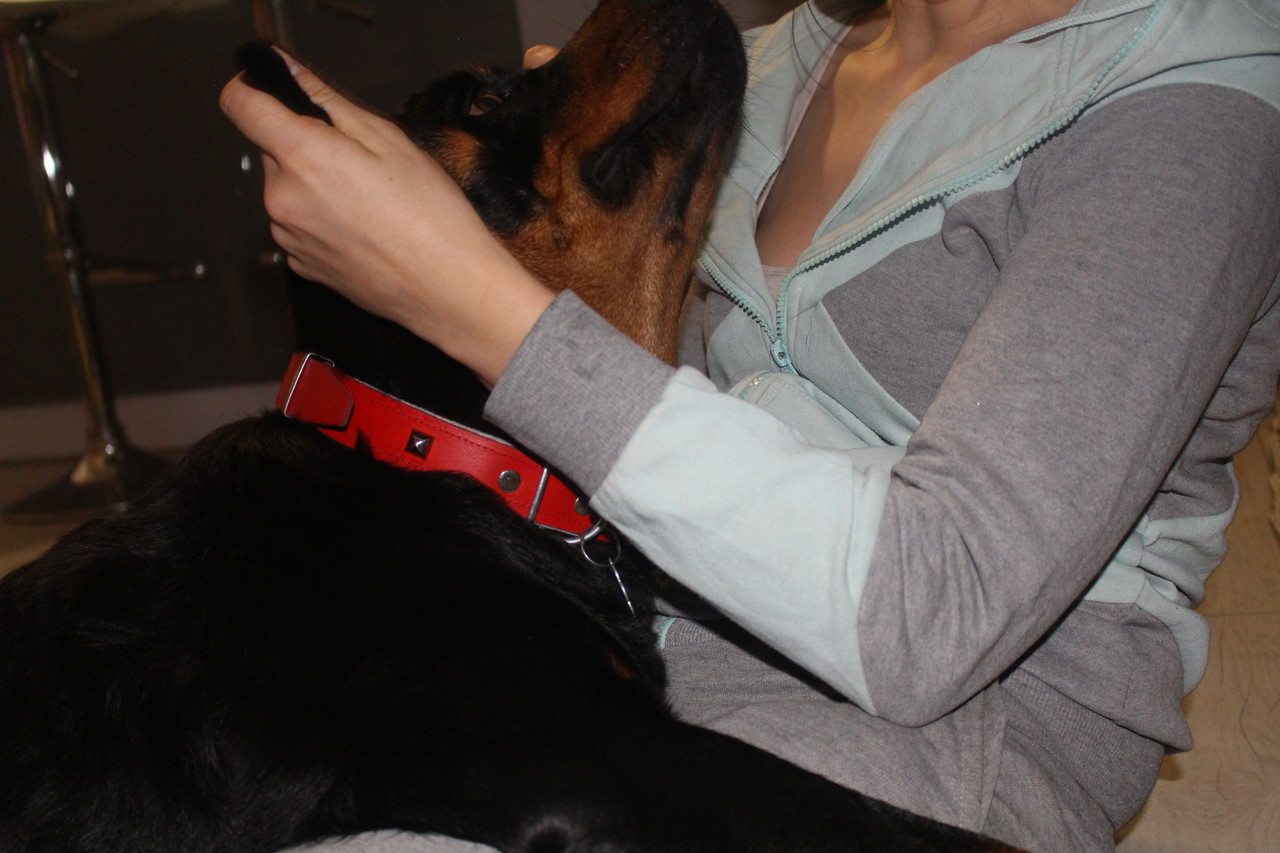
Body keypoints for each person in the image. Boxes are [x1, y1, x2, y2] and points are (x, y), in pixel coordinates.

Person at [220, 0, 1280, 850]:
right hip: (614, 644)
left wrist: (474, 299)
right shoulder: (770, 66)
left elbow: (935, 616)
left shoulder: (1188, 108)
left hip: (963, 726)